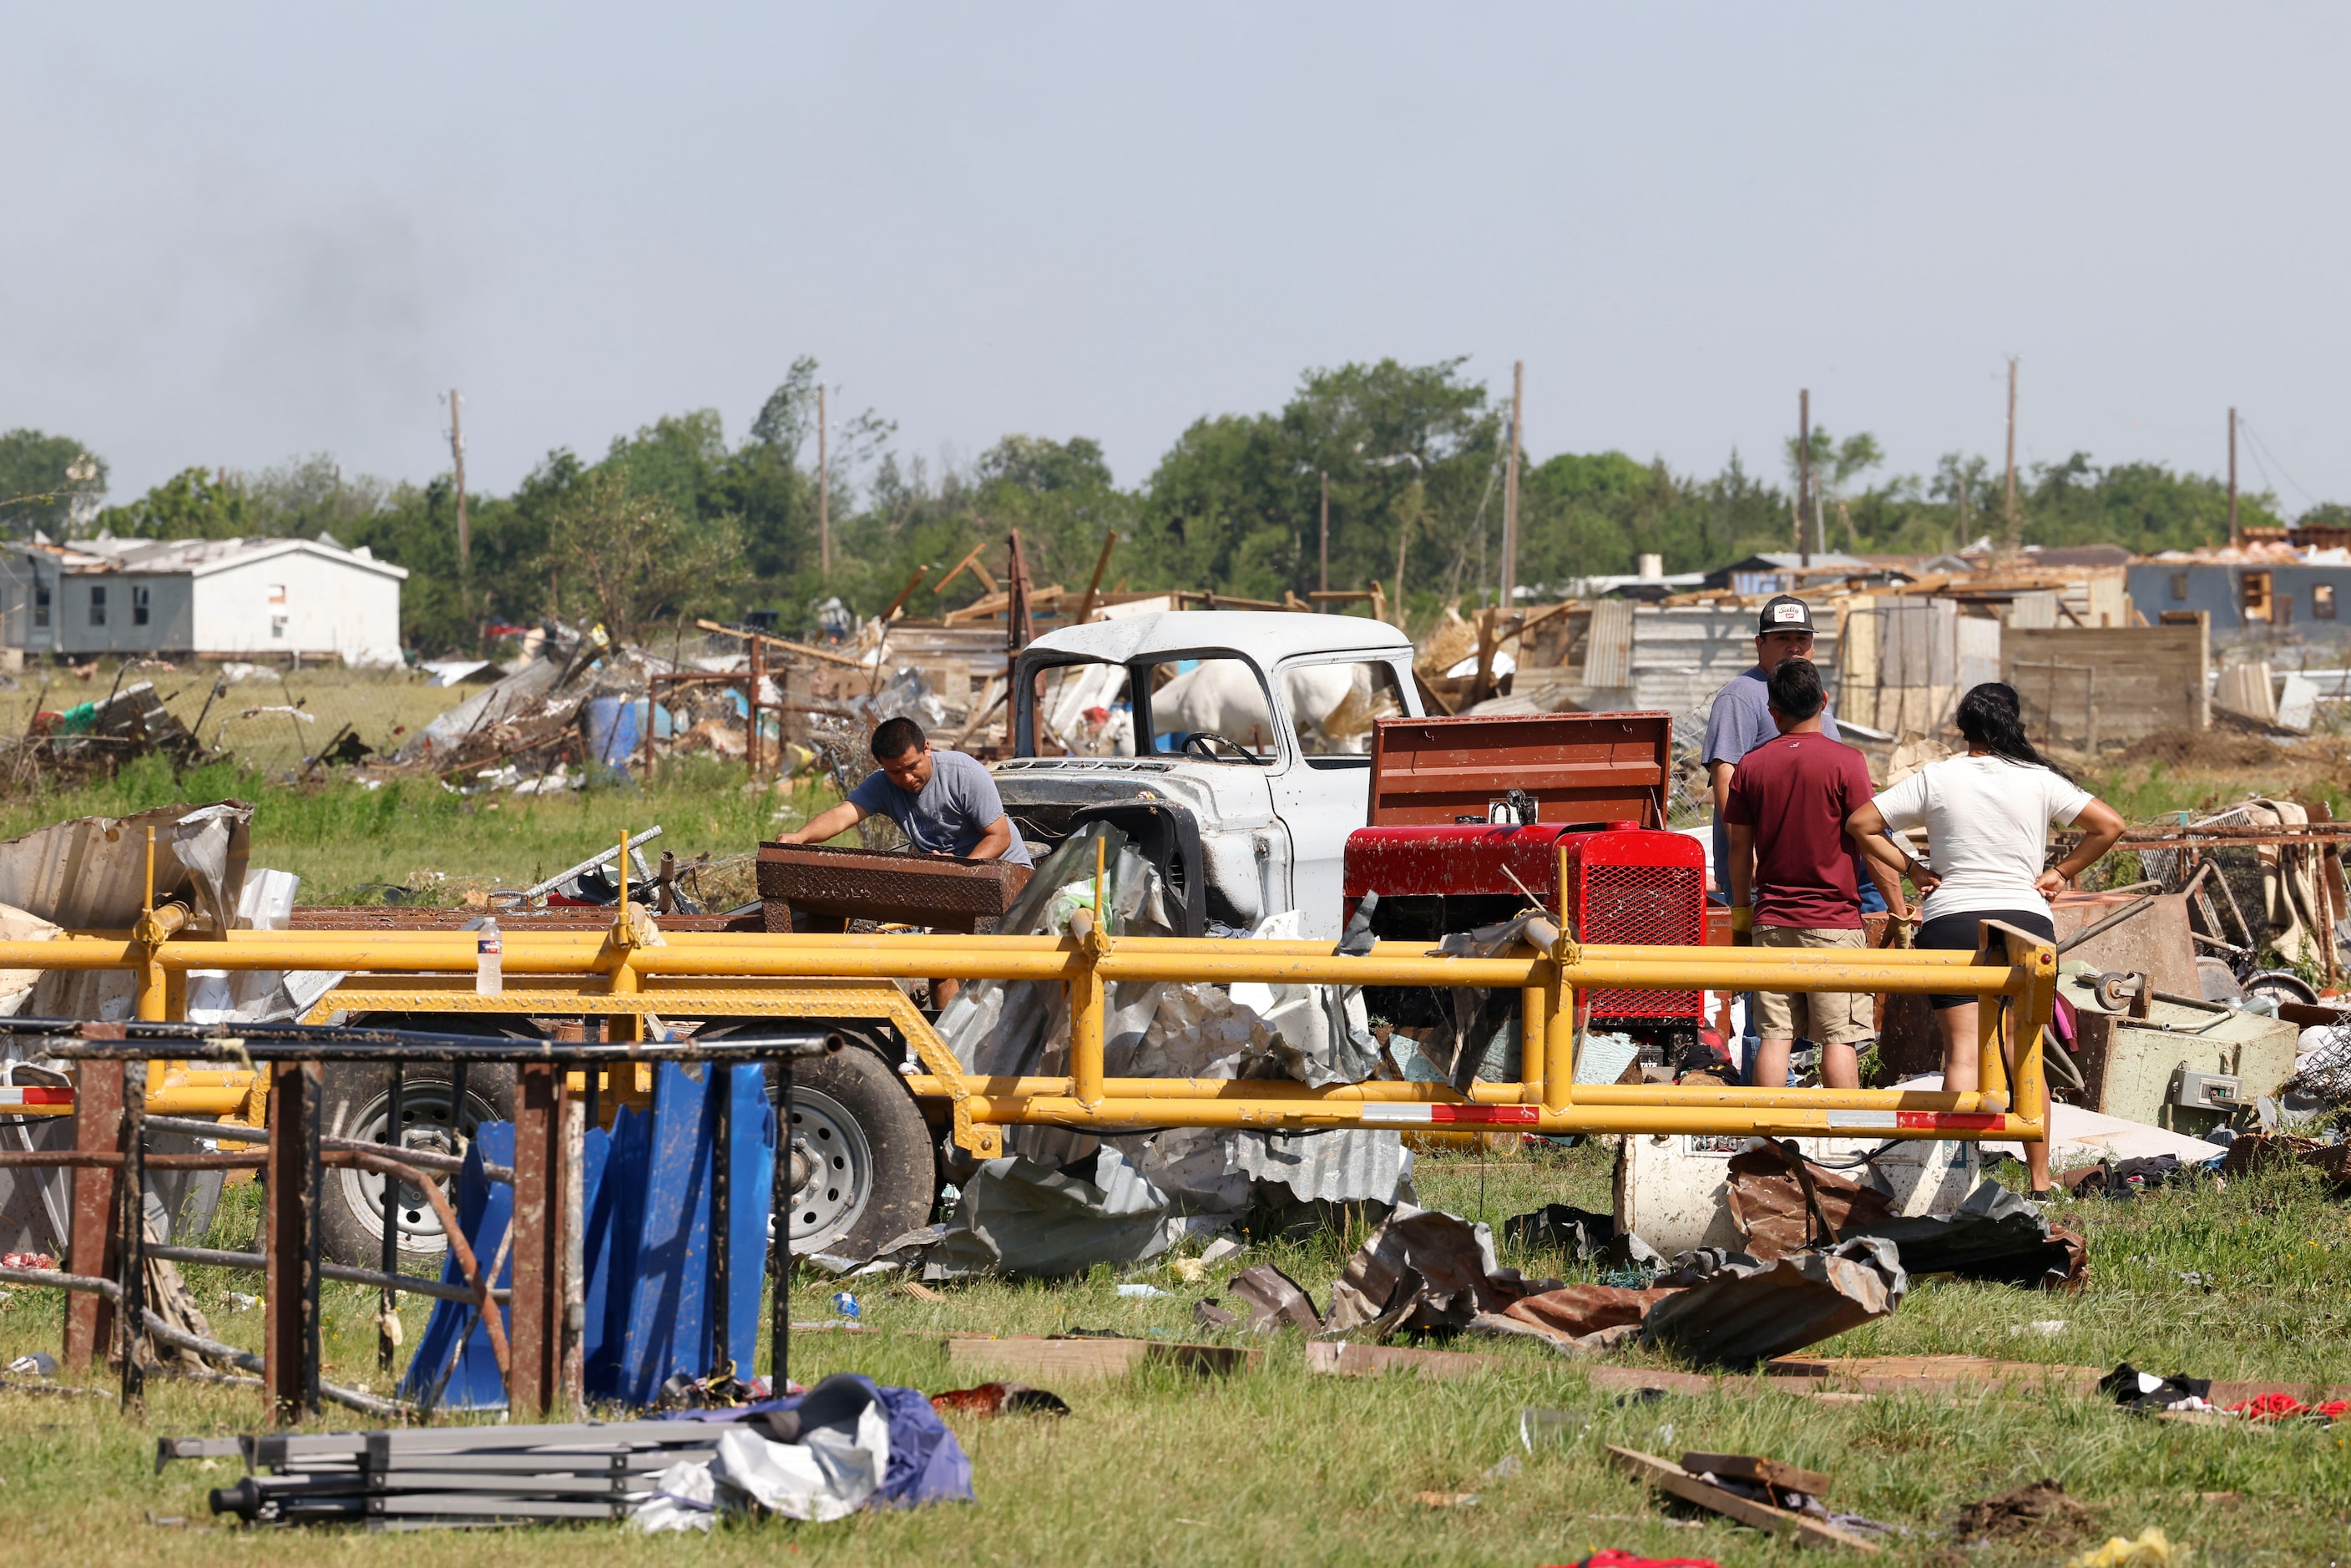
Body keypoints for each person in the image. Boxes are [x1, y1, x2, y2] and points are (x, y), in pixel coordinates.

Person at [1847, 682, 2126, 1198]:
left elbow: (1862, 823)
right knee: (2025, 1055)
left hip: (1951, 919)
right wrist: (2061, 873)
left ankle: (1956, 1182)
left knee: (1962, 1055)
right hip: (2025, 922)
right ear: (2013, 724)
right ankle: (2040, 1181)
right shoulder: (2040, 780)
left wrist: (1914, 869)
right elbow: (2109, 825)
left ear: (1964, 728)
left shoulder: (1937, 776)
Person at [1722, 660, 1909, 1092]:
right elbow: (1872, 845)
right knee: (1838, 1040)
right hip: (1833, 925)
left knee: (1775, 1038)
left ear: (1773, 713)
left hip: (1771, 922)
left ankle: (1768, 1146)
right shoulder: (1847, 763)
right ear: (1824, 703)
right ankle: (1842, 1142)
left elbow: (1738, 848)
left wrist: (1742, 917)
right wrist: (1899, 914)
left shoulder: (1751, 767)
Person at [779, 717, 1034, 1005]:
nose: (907, 778)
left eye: (912, 767)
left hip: (1006, 877)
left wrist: (961, 869)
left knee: (1012, 972)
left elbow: (999, 838)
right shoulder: (883, 785)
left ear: (927, 748)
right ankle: (944, 1045)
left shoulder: (965, 773)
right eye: (895, 771)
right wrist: (800, 836)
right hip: (951, 883)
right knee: (940, 966)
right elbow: (843, 814)